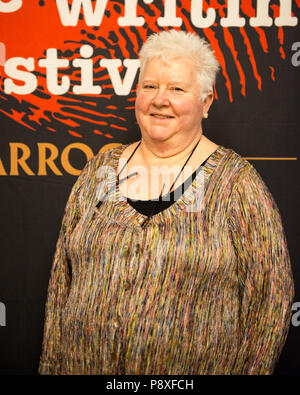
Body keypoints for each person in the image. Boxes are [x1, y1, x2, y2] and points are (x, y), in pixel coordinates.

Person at [38, 30, 294, 375]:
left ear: (205, 102)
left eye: (176, 89)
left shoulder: (235, 183)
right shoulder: (100, 170)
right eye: (149, 86)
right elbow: (61, 280)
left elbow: (270, 297)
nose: (160, 99)